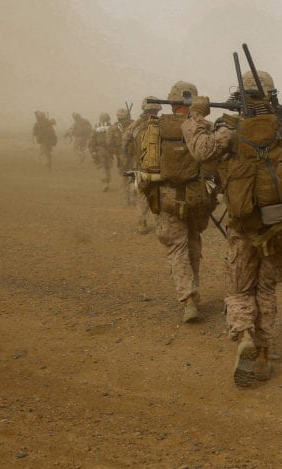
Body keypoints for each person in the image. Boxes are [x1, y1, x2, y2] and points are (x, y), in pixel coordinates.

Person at [183, 69, 282, 386]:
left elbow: (201, 152)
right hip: (280, 224)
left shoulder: (228, 128)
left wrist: (196, 116)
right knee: (266, 289)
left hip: (243, 223)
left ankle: (244, 337)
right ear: (272, 96)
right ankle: (265, 353)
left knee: (240, 288)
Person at [137, 82, 214, 323]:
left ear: (171, 102)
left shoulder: (154, 128)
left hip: (168, 196)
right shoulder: (204, 128)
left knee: (176, 248)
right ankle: (194, 291)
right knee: (193, 244)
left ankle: (188, 298)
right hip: (197, 196)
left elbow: (144, 164)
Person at [124, 97, 162, 234]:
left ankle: (142, 222)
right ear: (158, 108)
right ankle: (161, 224)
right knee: (159, 194)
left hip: (141, 167)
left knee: (142, 195)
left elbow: (125, 142)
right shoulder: (162, 123)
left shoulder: (135, 125)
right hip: (160, 167)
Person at [112, 107, 135, 206]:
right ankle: (134, 196)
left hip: (121, 156)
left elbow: (109, 142)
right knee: (134, 176)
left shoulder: (114, 127)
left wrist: (116, 152)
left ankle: (126, 199)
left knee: (124, 178)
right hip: (134, 155)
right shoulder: (134, 124)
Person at [88, 112, 115, 191]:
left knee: (101, 166)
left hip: (100, 150)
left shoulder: (96, 128)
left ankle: (105, 183)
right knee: (107, 167)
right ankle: (107, 182)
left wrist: (92, 151)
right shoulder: (112, 128)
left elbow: (92, 141)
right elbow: (116, 140)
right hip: (109, 151)